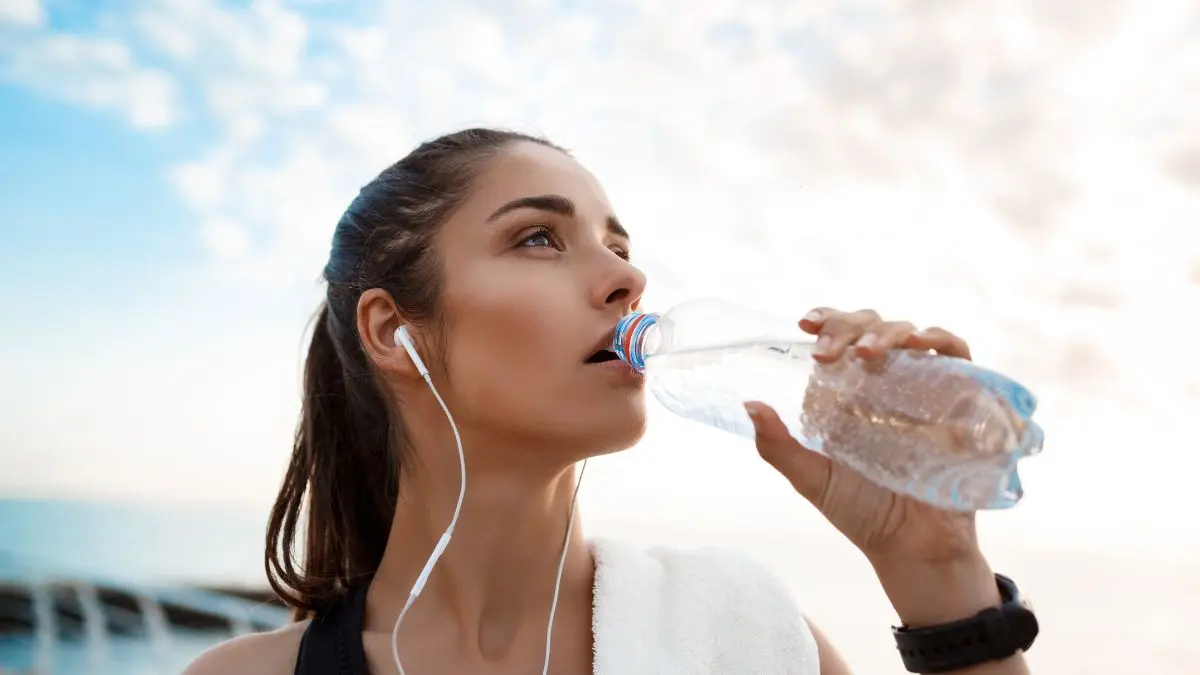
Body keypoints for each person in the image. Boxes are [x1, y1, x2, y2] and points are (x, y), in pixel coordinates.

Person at [183, 128, 1035, 675]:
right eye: (539, 238)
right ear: (391, 330)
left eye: (618, 244)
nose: (628, 278)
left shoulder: (741, 631)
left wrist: (935, 573)